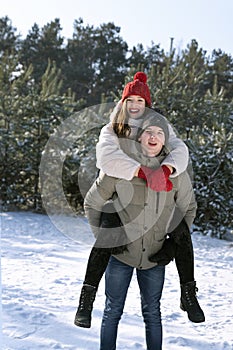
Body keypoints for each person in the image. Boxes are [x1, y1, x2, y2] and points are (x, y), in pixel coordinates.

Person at [74, 72, 205, 329]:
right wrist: (143, 171)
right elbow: (106, 160)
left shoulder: (156, 125)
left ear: (148, 105)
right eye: (130, 99)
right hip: (118, 194)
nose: (135, 105)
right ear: (123, 102)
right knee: (108, 227)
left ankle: (188, 293)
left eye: (140, 101)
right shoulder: (112, 129)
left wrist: (165, 170)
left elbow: (180, 150)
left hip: (155, 195)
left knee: (179, 226)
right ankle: (86, 300)